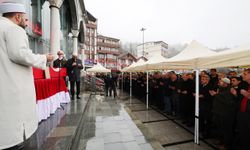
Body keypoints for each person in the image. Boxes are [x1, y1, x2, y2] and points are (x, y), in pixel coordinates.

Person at [0, 2, 53, 149]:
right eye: (25, 18)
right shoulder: (13, 29)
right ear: (17, 17)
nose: (27, 22)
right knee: (16, 136)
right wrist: (43, 58)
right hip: (13, 92)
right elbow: (21, 54)